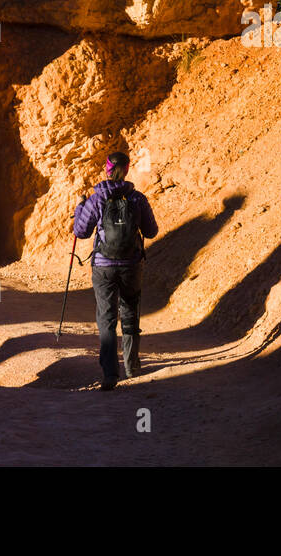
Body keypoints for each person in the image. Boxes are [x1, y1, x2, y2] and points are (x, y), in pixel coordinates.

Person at [72, 151, 158, 391]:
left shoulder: (96, 199)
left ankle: (110, 374)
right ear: (127, 170)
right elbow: (151, 231)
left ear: (107, 170)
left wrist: (79, 207)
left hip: (103, 267)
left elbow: (80, 231)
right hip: (131, 265)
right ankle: (132, 366)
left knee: (107, 319)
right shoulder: (138, 199)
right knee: (130, 313)